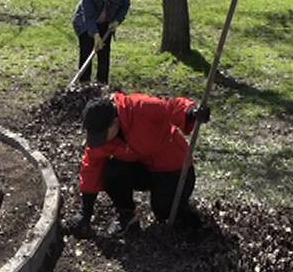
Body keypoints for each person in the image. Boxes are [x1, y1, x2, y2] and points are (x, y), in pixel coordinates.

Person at [64, 90, 211, 237]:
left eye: (102, 136)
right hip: (145, 169)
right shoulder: (101, 136)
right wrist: (86, 214)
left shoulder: (140, 107)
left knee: (163, 211)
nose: (101, 141)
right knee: (111, 172)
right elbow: (91, 168)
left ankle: (189, 216)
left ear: (114, 123)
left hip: (175, 168)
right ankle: (128, 217)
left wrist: (191, 112)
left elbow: (170, 107)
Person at [72, 0, 130, 84]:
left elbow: (125, 6)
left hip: (106, 24)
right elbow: (88, 16)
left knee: (104, 53)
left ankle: (102, 83)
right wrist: (95, 35)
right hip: (85, 23)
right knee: (86, 51)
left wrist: (117, 20)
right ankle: (84, 83)